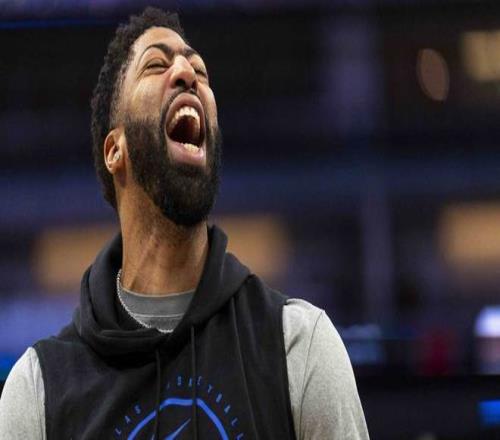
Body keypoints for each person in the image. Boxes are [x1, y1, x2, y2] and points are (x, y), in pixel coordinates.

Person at [0, 7, 369, 439]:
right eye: (156, 65)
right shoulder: (38, 391)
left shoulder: (299, 346)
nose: (187, 74)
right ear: (114, 150)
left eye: (200, 71)